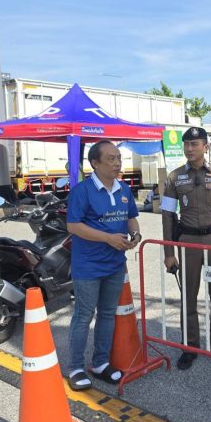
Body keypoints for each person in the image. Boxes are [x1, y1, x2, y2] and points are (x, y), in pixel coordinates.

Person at [161, 126, 211, 370]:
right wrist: (169, 252)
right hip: (188, 241)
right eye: (186, 144)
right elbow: (166, 215)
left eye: (195, 144)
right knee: (188, 295)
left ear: (205, 147)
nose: (189, 148)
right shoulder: (174, 178)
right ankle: (190, 346)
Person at [65, 141, 142, 391]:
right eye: (111, 158)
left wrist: (136, 235)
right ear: (95, 163)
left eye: (119, 157)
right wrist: (108, 238)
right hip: (88, 266)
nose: (117, 162)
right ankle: (76, 367)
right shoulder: (82, 191)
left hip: (115, 265)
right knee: (84, 316)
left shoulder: (124, 189)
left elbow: (131, 217)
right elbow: (74, 226)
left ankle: (100, 363)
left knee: (107, 314)